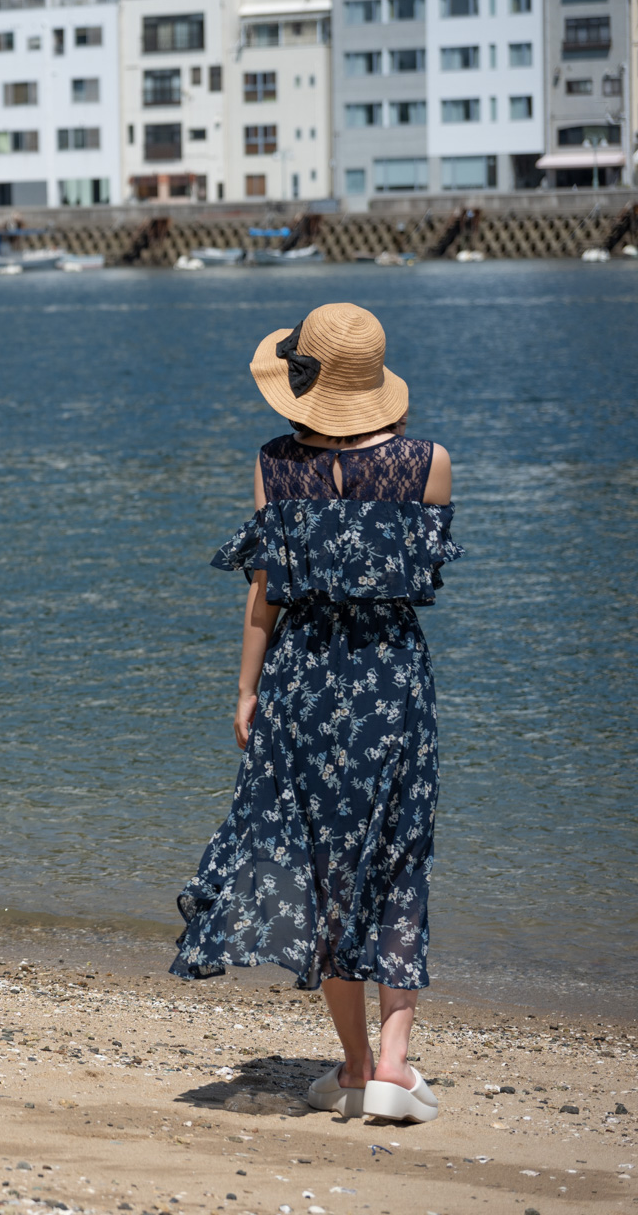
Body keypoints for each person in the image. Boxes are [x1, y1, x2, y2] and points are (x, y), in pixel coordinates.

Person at [171, 302, 458, 1125]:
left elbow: (264, 595)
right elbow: (421, 579)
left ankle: (356, 1066)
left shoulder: (275, 464)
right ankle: (395, 1068)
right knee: (397, 854)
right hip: (390, 677)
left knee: (325, 865)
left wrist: (246, 690)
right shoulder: (429, 464)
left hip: (303, 681)